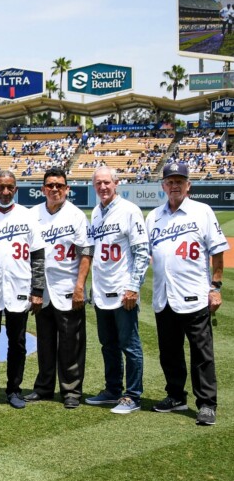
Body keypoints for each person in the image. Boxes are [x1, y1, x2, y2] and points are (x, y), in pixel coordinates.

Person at [146, 161, 227, 425]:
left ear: (188, 185)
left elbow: (217, 251)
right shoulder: (154, 216)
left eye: (179, 181)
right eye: (170, 181)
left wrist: (215, 287)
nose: (174, 185)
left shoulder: (202, 211)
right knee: (169, 351)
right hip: (164, 295)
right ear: (163, 186)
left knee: (201, 353)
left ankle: (206, 403)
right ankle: (176, 397)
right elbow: (145, 254)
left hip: (194, 294)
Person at [0, 170, 46, 409]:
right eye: (1, 187)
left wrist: (37, 290)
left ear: (16, 190)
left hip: (19, 287)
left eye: (10, 187)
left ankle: (14, 390)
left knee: (18, 342)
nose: (5, 192)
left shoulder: (28, 216)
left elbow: (38, 256)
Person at [86, 166, 148, 414]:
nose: (103, 187)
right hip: (102, 291)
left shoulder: (130, 210)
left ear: (116, 183)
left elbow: (142, 252)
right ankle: (113, 390)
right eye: (98, 183)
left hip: (123, 291)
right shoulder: (96, 213)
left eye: (107, 183)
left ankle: (133, 395)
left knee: (129, 345)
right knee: (108, 344)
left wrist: (133, 287)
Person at [29, 168, 91, 409]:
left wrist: (79, 287)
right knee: (44, 342)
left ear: (67, 189)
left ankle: (72, 391)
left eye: (59, 185)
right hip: (42, 289)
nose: (55, 189)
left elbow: (86, 252)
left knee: (71, 343)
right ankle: (44, 388)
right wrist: (33, 289)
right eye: (50, 185)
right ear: (43, 189)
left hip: (67, 286)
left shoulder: (76, 215)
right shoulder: (33, 214)